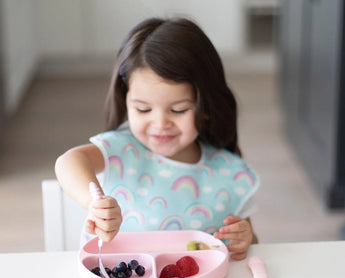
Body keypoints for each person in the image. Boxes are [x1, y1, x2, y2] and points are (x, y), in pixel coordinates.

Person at [55, 17, 260, 260]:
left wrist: (244, 239)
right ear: (126, 101)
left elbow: (250, 241)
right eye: (143, 109)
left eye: (178, 110)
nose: (160, 124)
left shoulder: (230, 172)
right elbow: (69, 161)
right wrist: (93, 204)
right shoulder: (121, 148)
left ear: (206, 106)